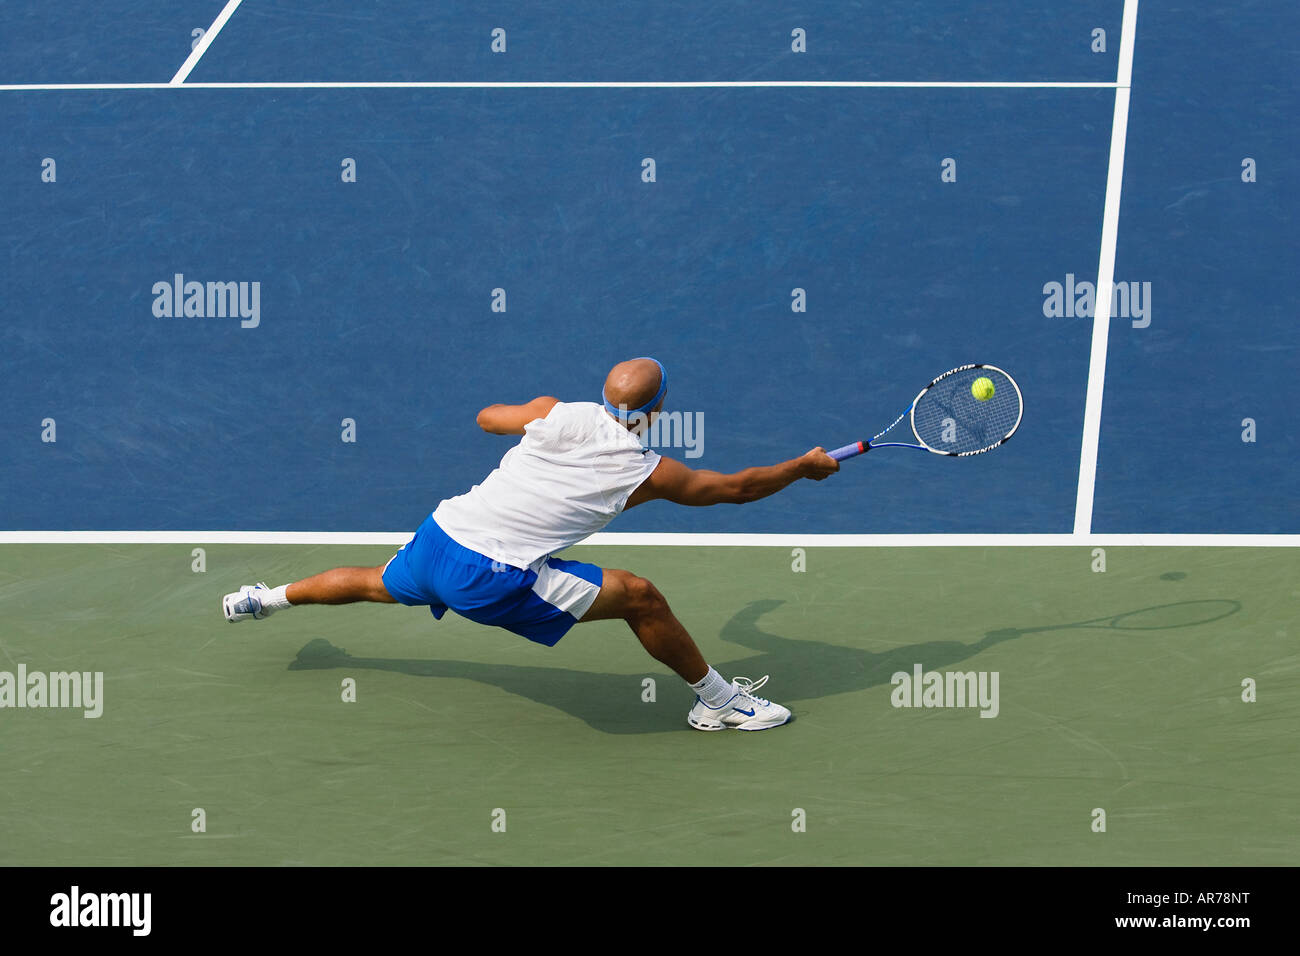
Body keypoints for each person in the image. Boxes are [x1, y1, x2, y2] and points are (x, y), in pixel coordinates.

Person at [223, 357, 839, 731]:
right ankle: (718, 703)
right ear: (658, 410)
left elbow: (488, 417)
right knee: (641, 597)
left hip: (440, 536)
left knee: (370, 581)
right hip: (487, 575)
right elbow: (736, 489)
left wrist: (528, 417)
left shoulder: (552, 412)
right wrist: (802, 468)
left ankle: (264, 598)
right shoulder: (647, 471)